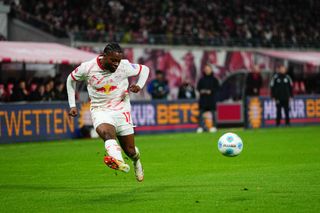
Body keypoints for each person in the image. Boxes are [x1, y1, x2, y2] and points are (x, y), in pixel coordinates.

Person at [66, 42, 149, 182]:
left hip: (122, 109)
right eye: (113, 60)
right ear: (104, 56)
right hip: (100, 109)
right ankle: (118, 160)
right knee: (107, 133)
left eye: (118, 60)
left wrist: (139, 85)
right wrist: (72, 104)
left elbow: (145, 69)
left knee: (130, 150)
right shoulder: (87, 67)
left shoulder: (124, 66)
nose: (116, 64)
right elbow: (70, 79)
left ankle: (136, 161)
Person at [196, 64, 220, 133]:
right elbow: (198, 88)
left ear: (211, 70)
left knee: (213, 114)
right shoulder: (201, 79)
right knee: (201, 114)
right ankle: (200, 127)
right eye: (206, 69)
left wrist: (211, 91)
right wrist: (202, 91)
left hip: (211, 99)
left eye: (208, 69)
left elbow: (217, 88)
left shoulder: (214, 79)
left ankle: (214, 126)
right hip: (203, 100)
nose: (207, 70)